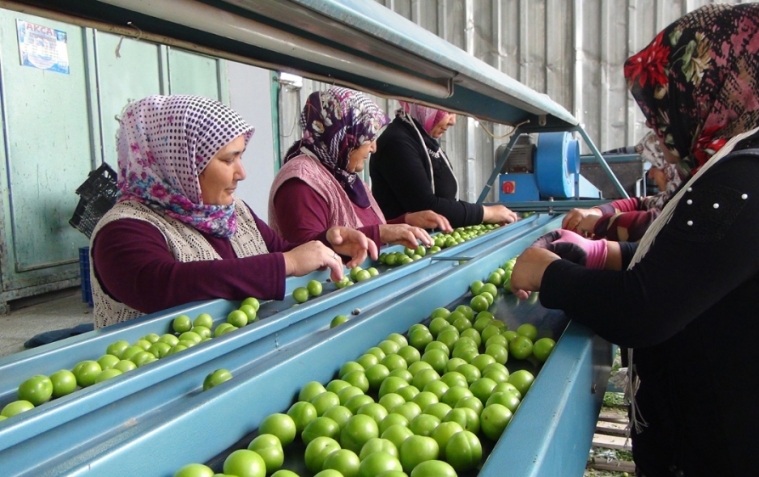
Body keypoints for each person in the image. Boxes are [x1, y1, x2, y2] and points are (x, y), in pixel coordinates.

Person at [511, 3, 759, 476]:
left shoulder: (756, 179)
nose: (658, 128)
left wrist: (550, 274)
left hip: (758, 452)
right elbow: (700, 267)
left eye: (664, 106)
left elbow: (643, 309)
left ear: (710, 93)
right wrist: (602, 254)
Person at [91, 95, 376, 329]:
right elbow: (162, 284)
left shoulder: (232, 211)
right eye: (229, 160)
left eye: (241, 156)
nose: (242, 173)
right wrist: (285, 264)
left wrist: (329, 244)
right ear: (180, 163)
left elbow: (282, 251)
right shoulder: (121, 231)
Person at [269, 87, 451, 250]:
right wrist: (382, 233)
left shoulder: (342, 173)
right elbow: (308, 251)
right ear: (346, 137)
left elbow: (358, 229)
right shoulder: (301, 183)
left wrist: (404, 222)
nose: (374, 148)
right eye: (368, 138)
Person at [369, 100, 518, 227]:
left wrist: (483, 216)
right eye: (448, 112)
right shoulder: (397, 143)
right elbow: (426, 208)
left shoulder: (423, 139)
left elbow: (447, 201)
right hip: (404, 251)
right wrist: (486, 213)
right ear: (426, 106)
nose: (453, 121)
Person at [562, 132, 685, 241]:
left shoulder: (683, 211)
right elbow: (639, 203)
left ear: (670, 170)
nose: (651, 175)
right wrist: (597, 212)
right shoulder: (668, 198)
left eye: (655, 166)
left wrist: (595, 223)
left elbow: (652, 223)